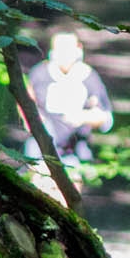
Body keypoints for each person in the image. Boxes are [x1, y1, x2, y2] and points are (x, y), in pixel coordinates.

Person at [22, 30, 114, 174]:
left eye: (68, 50)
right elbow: (25, 105)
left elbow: (105, 119)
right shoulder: (39, 74)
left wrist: (83, 117)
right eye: (60, 50)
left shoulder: (89, 77)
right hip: (40, 147)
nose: (64, 55)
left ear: (78, 49)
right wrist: (34, 122)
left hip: (76, 150)